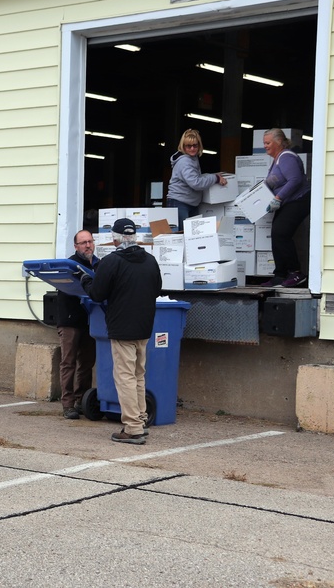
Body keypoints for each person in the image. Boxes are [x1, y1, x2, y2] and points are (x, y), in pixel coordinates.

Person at [83, 218, 162, 445]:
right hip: (144, 326)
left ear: (115, 238)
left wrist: (86, 279)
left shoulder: (112, 261)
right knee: (138, 375)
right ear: (135, 236)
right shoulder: (150, 260)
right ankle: (141, 420)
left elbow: (97, 294)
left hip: (122, 327)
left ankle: (133, 428)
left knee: (125, 377)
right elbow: (156, 290)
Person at [55, 230, 100, 419]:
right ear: (76, 246)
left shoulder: (99, 264)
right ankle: (68, 404)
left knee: (87, 363)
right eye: (83, 243)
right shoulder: (69, 265)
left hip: (91, 320)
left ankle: (82, 400)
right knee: (68, 362)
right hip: (70, 320)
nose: (88, 245)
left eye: (90, 241)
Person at [259, 128, 310, 288]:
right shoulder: (277, 159)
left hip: (298, 200)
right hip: (286, 203)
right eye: (264, 143)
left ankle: (296, 273)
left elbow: (294, 180)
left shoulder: (286, 157)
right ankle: (280, 275)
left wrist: (278, 198)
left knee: (281, 233)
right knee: (276, 234)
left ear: (279, 142)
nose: (265, 146)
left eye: (268, 143)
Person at [166, 129, 228, 230]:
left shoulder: (192, 158)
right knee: (183, 236)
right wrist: (215, 178)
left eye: (195, 145)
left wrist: (211, 175)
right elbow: (196, 183)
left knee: (193, 237)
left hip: (190, 203)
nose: (192, 148)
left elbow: (195, 178)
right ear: (183, 146)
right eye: (188, 146)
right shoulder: (185, 162)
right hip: (180, 203)